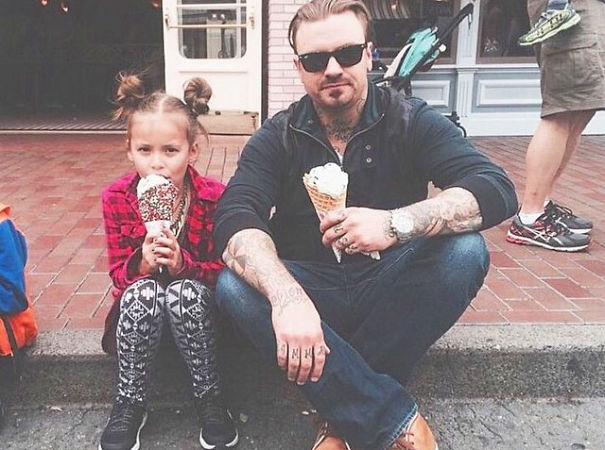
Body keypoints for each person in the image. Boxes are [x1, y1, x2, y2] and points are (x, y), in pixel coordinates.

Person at [213, 1, 517, 449]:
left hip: (389, 284)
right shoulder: (279, 135)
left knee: (465, 252)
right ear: (298, 68)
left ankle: (340, 416)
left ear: (369, 54)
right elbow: (235, 214)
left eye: (348, 53)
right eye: (315, 60)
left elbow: (494, 187)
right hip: (312, 287)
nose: (333, 69)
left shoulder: (409, 118)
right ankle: (390, 419)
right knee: (233, 287)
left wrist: (396, 223)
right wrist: (286, 297)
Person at [99, 73, 238, 450]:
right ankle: (129, 400)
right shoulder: (116, 197)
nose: (156, 164)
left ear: (192, 151)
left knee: (184, 292)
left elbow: (225, 273)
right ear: (129, 151)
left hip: (197, 316)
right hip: (139, 315)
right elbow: (118, 276)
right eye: (145, 150)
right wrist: (141, 265)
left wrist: (184, 266)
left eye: (170, 151)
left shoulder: (213, 197)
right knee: (143, 291)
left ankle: (210, 396)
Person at [507, 0, 604, 252]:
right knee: (562, 109)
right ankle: (530, 217)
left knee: (581, 108)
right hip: (570, 6)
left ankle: (542, 204)